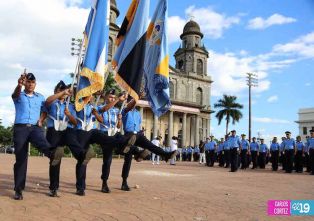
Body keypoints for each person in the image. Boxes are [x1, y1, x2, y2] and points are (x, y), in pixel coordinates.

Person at [11, 73, 64, 200]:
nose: (30, 84)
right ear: (24, 83)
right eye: (28, 82)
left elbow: (45, 109)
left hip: (35, 127)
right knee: (21, 159)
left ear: (35, 84)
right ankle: (18, 189)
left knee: (42, 142)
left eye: (32, 82)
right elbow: (14, 95)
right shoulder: (19, 95)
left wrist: (41, 119)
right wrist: (18, 85)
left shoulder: (40, 97)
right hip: (21, 128)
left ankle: (53, 154)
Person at [75, 95, 138, 196]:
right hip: (83, 132)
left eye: (92, 95)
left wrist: (119, 119)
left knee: (112, 142)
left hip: (94, 131)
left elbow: (101, 119)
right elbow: (104, 111)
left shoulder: (95, 107)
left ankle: (131, 148)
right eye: (111, 97)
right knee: (83, 158)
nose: (92, 96)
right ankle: (80, 186)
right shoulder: (79, 105)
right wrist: (118, 99)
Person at [44, 81, 92, 197]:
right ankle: (53, 188)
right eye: (61, 90)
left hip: (67, 130)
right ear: (56, 91)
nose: (64, 93)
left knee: (72, 138)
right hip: (54, 131)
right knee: (56, 158)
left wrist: (69, 114)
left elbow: (75, 122)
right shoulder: (52, 102)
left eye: (65, 91)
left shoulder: (70, 105)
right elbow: (47, 101)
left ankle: (83, 154)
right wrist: (61, 94)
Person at [120, 95, 177, 189]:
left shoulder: (138, 113)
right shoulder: (125, 111)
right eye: (130, 101)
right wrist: (136, 98)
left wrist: (141, 131)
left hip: (138, 134)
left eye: (133, 101)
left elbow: (137, 125)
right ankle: (124, 182)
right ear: (127, 102)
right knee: (128, 160)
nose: (132, 103)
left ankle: (165, 155)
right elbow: (129, 107)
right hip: (129, 135)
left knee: (151, 145)